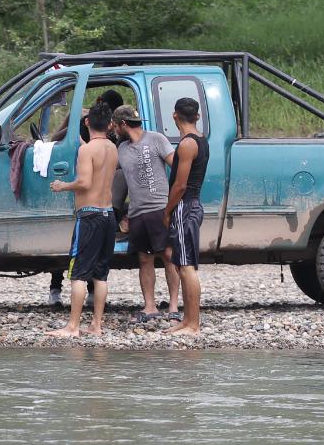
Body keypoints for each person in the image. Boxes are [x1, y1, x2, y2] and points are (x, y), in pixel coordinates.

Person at [46, 99, 120, 338]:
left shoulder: (87, 150)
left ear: (86, 122)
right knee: (100, 275)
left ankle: (73, 326)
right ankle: (96, 325)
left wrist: (62, 186)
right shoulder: (112, 148)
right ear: (110, 125)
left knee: (78, 274)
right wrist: (82, 144)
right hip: (108, 215)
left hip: (89, 217)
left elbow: (86, 182)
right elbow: (97, 168)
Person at [110, 104, 176, 322]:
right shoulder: (121, 149)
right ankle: (150, 307)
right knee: (145, 259)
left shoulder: (156, 139)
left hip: (160, 208)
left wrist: (174, 201)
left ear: (123, 124)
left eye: (115, 125)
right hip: (138, 212)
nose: (114, 130)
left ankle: (174, 306)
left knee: (168, 256)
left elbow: (177, 166)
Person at [162, 96, 208, 335]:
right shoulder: (200, 139)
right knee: (182, 264)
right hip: (191, 205)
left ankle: (193, 324)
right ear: (197, 116)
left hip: (185, 206)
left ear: (174, 116)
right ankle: (188, 320)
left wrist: (167, 212)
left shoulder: (187, 144)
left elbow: (180, 185)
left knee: (187, 266)